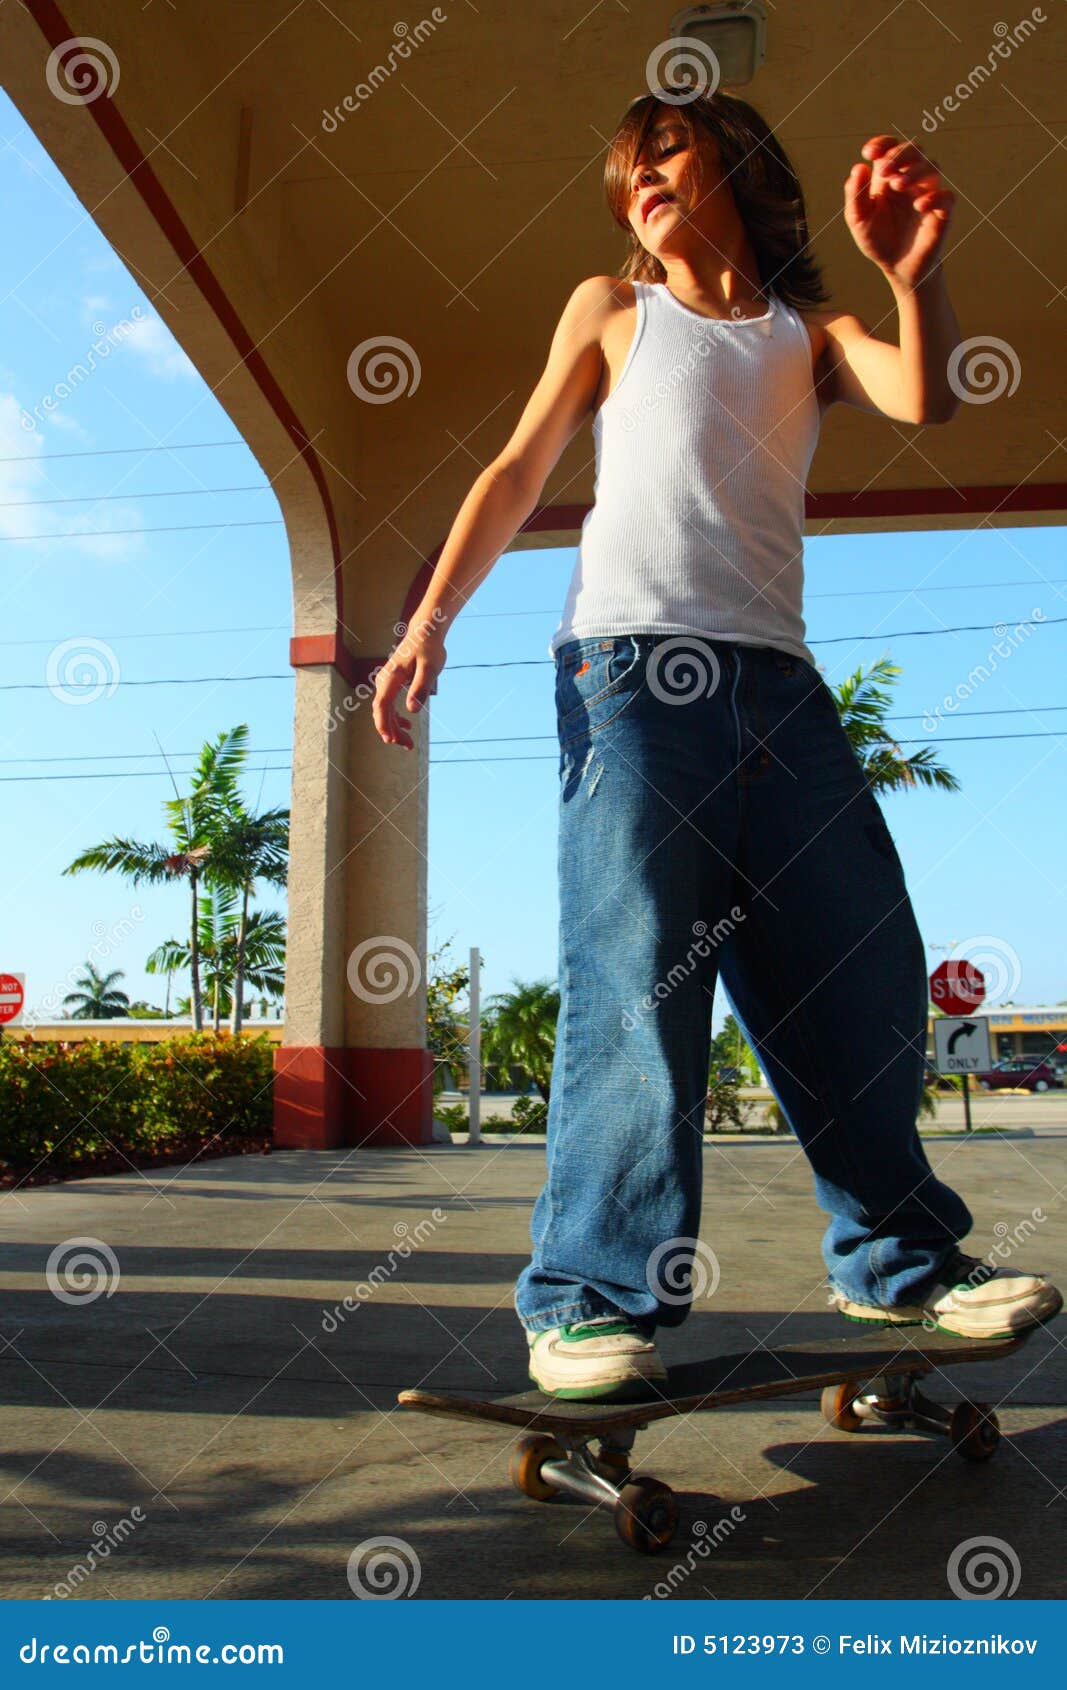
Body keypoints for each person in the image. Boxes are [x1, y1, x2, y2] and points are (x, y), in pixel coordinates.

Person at [373, 89, 1062, 1401]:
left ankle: (901, 1258)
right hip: (629, 679)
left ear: (740, 165)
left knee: (858, 957)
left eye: (665, 152)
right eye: (624, 167)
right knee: (637, 973)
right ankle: (586, 1297)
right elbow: (516, 469)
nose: (638, 180)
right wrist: (428, 622)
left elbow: (923, 396)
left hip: (779, 693)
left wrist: (914, 275)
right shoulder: (613, 310)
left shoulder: (811, 332)